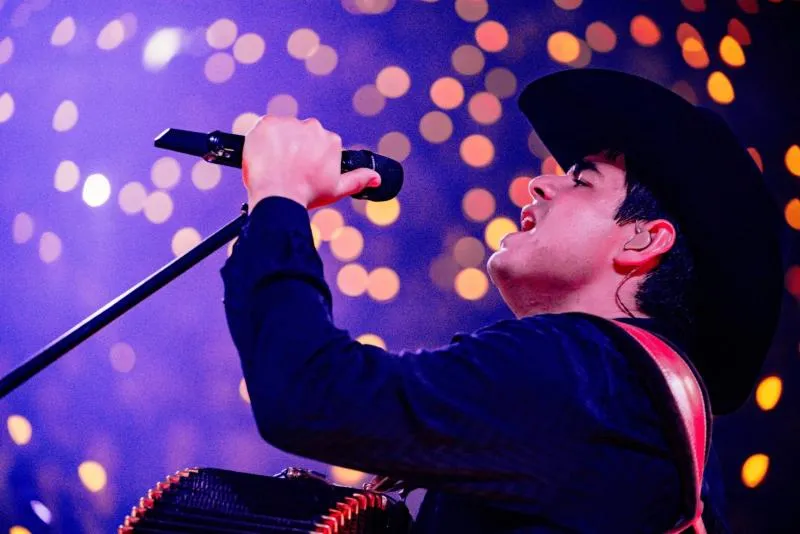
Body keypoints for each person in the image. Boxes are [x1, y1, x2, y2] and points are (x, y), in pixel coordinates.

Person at [220, 69, 782, 532]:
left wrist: (281, 199)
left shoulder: (581, 368)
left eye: (582, 180)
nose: (541, 185)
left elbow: (311, 394)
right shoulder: (643, 413)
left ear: (644, 240)